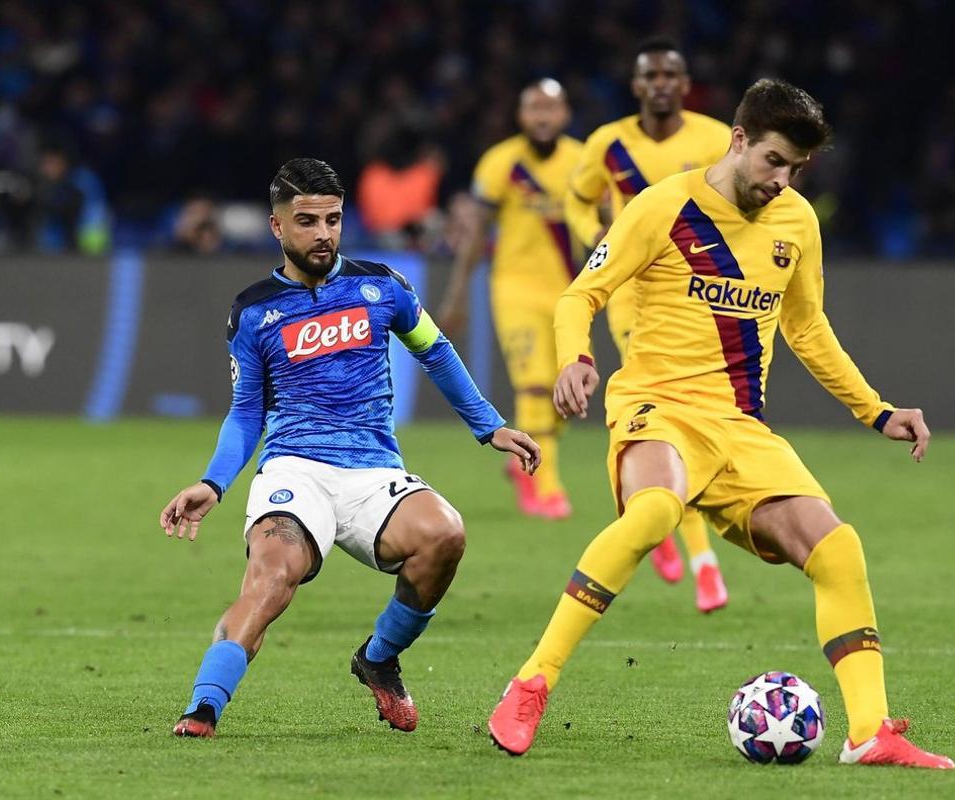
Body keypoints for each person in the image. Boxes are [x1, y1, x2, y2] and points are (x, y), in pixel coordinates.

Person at [488, 79, 955, 770]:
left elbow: (806, 327)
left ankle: (869, 733)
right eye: (772, 161)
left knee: (838, 549)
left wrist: (876, 409)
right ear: (738, 140)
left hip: (739, 427)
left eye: (796, 168)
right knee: (652, 513)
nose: (782, 180)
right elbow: (581, 294)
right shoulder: (665, 206)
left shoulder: (796, 223)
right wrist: (576, 359)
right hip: (658, 407)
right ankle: (532, 682)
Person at [160, 158, 540, 738]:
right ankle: (204, 707)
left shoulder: (381, 287)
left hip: (371, 470)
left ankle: (379, 657)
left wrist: (489, 426)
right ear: (277, 227)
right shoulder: (255, 310)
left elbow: (434, 351)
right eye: (307, 221)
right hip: (294, 466)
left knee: (445, 534)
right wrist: (212, 483)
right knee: (272, 576)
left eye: (333, 220)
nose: (323, 234)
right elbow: (245, 411)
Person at [565, 37, 733, 611]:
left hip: (700, 293)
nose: (660, 83)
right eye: (650, 75)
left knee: (685, 414)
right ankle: (703, 562)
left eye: (670, 74)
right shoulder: (608, 143)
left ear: (685, 84)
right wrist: (595, 240)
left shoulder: (715, 139)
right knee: (665, 410)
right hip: (634, 291)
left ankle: (648, 512)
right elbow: (578, 199)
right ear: (636, 85)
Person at [436, 79, 582, 520]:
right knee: (534, 383)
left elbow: (605, 224)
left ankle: (523, 463)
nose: (542, 116)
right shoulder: (501, 162)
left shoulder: (583, 161)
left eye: (550, 108)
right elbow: (476, 234)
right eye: (534, 107)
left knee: (567, 393)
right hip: (514, 288)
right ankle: (545, 484)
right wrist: (458, 295)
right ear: (521, 116)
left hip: (569, 291)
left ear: (565, 115)